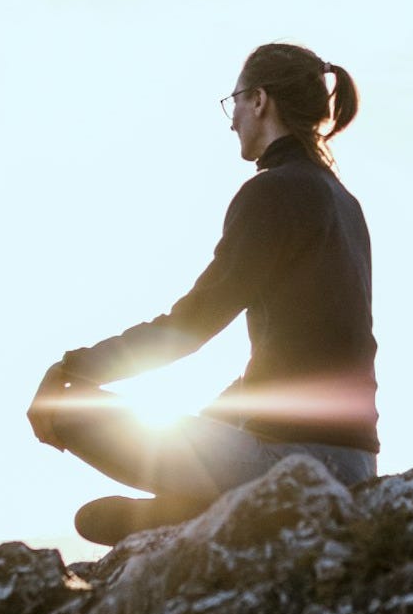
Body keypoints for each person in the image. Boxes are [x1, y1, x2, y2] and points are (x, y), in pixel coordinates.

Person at [27, 42, 379, 546]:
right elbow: (312, 351)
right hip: (355, 462)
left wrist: (71, 369)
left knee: (65, 408)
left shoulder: (275, 191)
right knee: (213, 416)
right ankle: (200, 510)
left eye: (234, 101)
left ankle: (202, 512)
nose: (232, 118)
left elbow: (190, 325)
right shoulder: (343, 201)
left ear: (259, 101)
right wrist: (218, 415)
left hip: (297, 466)